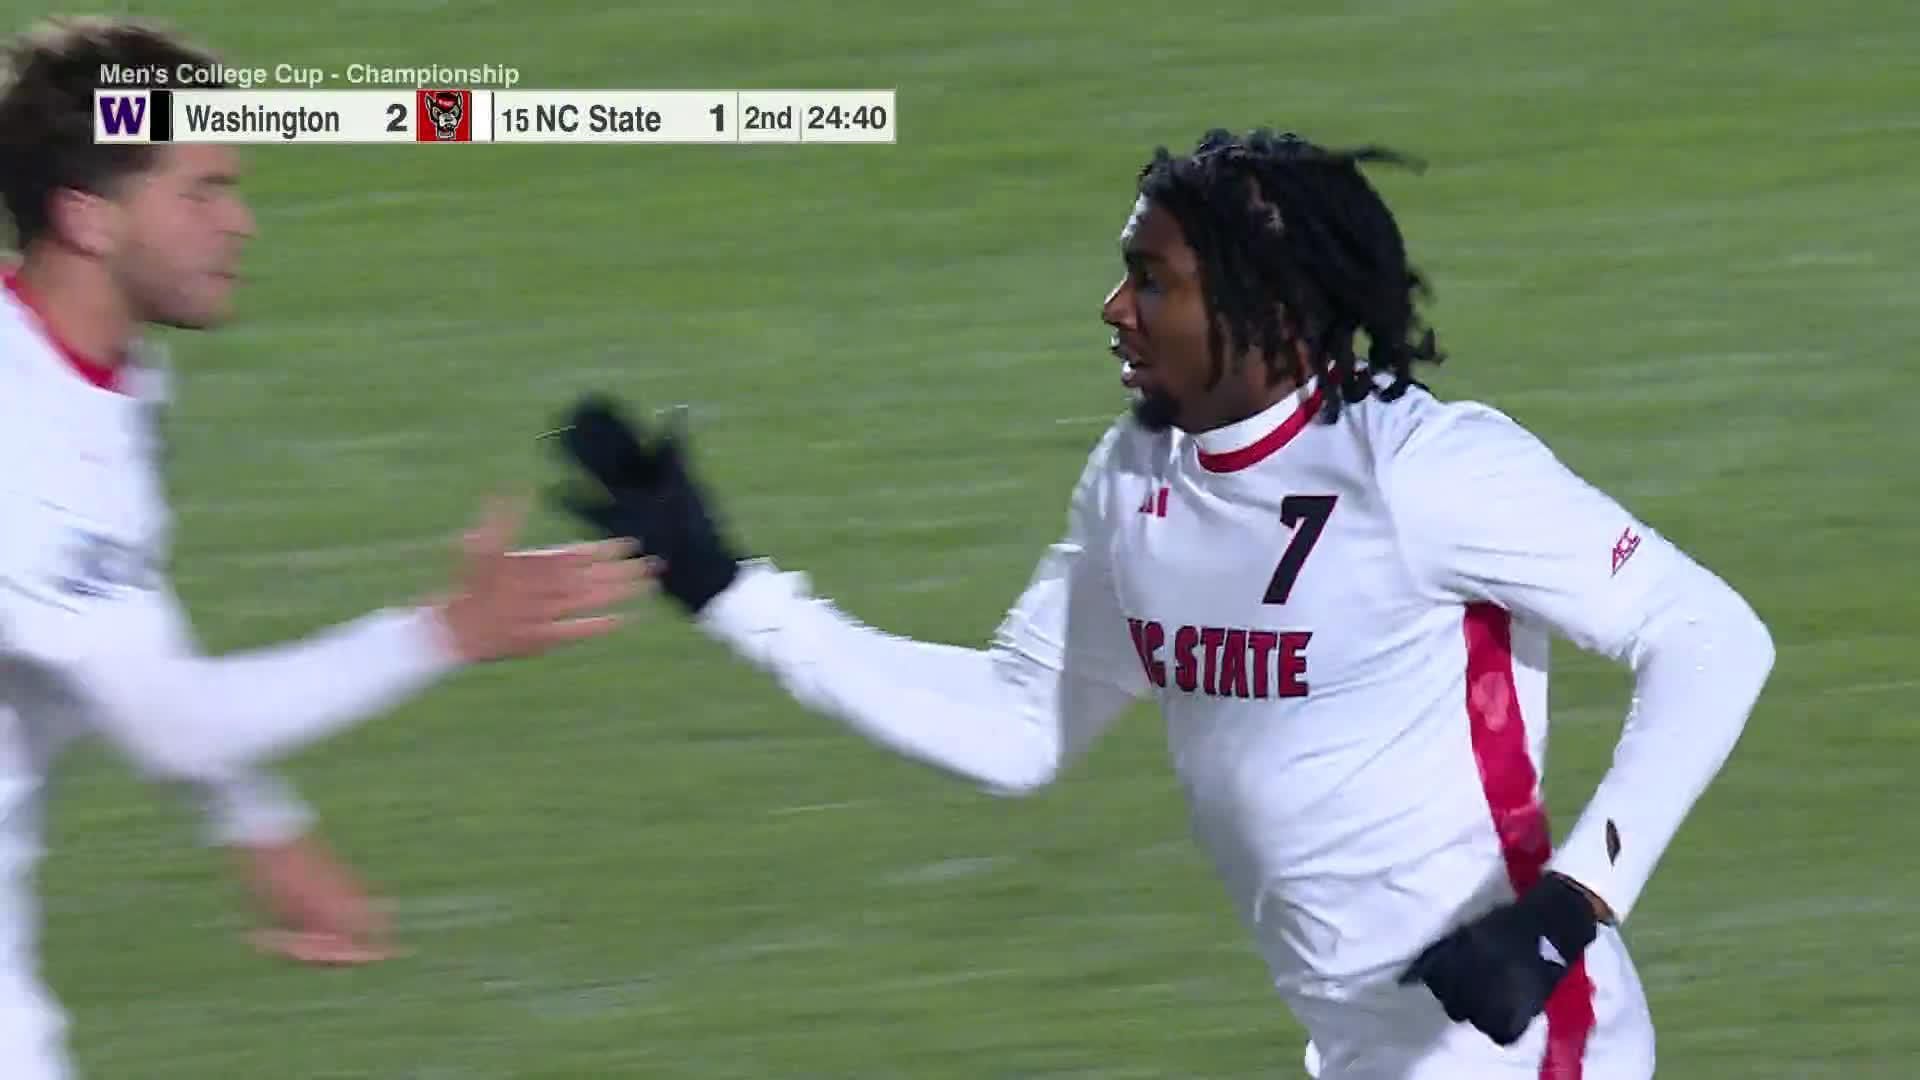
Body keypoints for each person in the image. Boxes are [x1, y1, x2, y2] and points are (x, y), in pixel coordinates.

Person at [552, 128, 1774, 1079]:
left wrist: (1568, 907)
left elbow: (1712, 637)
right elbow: (1020, 723)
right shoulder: (1138, 477)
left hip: (1533, 1050)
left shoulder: (1426, 472)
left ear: (1265, 307)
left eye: (1151, 279)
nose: (1113, 307)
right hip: (1358, 1055)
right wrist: (732, 594)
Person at [0, 16, 641, 1078]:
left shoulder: (98, 375)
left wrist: (254, 819)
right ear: (87, 219)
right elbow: (172, 720)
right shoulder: (27, 439)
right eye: (201, 192)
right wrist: (443, 633)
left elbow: (117, 632)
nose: (240, 223)